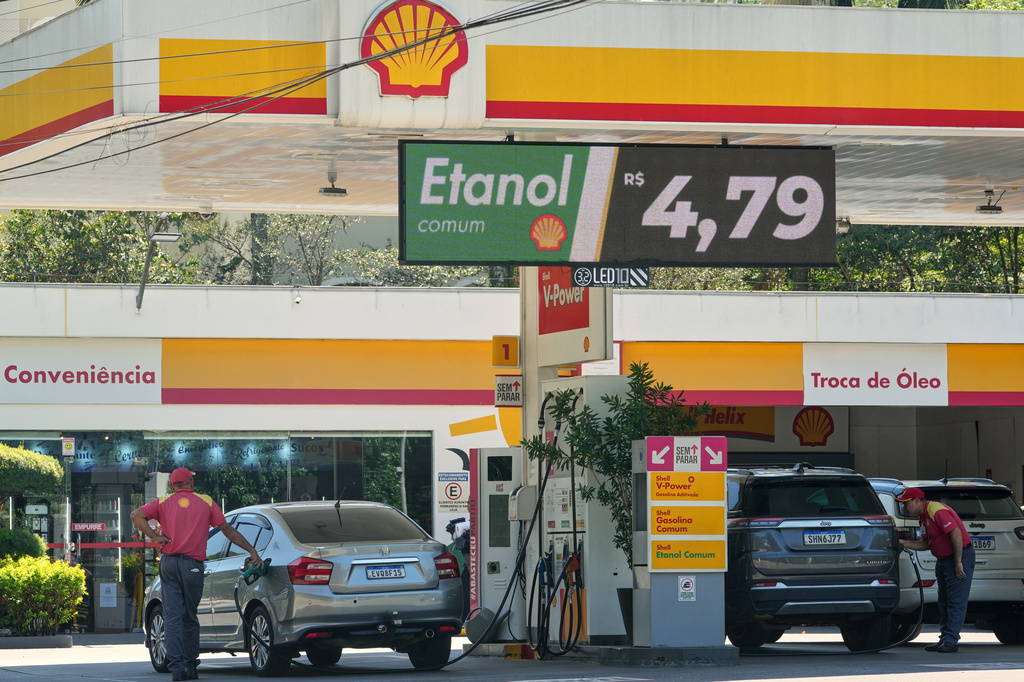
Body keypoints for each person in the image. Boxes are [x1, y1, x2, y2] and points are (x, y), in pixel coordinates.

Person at [131, 468, 264, 681]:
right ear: (190, 482)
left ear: (173, 485)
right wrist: (251, 550)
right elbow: (228, 531)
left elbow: (136, 515)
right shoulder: (206, 502)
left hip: (168, 563)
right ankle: (191, 665)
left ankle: (176, 669)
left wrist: (155, 537)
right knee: (190, 617)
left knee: (172, 617)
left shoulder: (163, 502)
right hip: (192, 565)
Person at [896, 486, 975, 653]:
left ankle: (951, 641)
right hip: (944, 560)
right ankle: (945, 638)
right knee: (944, 601)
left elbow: (955, 533)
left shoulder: (936, 510)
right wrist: (904, 543)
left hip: (957, 557)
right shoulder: (923, 517)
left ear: (917, 501)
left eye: (906, 504)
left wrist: (958, 561)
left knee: (955, 601)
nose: (904, 508)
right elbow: (927, 543)